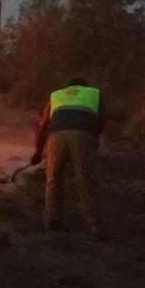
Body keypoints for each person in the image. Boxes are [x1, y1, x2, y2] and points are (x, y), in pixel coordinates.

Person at [31, 77, 105, 239]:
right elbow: (100, 122)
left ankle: (52, 220)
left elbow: (43, 124)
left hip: (57, 136)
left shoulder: (57, 95)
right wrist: (91, 139)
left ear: (68, 87)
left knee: (53, 179)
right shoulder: (94, 94)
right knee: (86, 180)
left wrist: (38, 151)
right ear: (84, 87)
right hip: (83, 136)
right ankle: (95, 226)